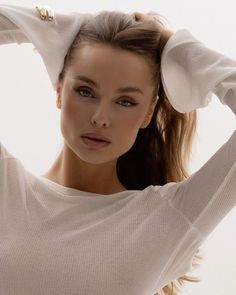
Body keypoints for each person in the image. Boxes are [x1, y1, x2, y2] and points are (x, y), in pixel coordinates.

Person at [0, 4, 235, 295]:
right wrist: (54, 26)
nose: (101, 118)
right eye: (86, 91)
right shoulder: (6, 189)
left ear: (148, 112)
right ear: (59, 89)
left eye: (125, 101)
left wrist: (176, 47)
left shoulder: (167, 219)